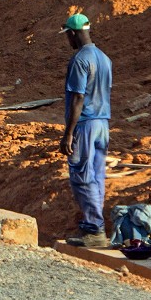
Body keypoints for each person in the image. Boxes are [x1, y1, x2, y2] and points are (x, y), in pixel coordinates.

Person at [58, 13, 112, 248]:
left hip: (86, 123)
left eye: (67, 36)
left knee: (81, 175)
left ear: (72, 33)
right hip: (103, 123)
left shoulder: (80, 60)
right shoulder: (104, 58)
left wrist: (68, 132)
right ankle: (96, 228)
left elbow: (78, 97)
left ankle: (94, 230)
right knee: (97, 175)